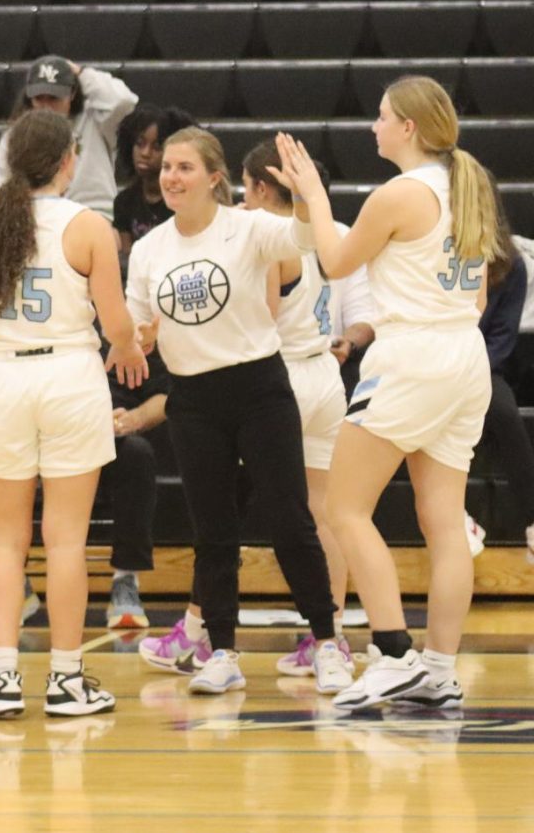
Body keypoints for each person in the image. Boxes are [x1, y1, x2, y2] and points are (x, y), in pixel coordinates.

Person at [276, 75, 499, 711]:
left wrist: (314, 195)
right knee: (444, 522)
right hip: (464, 354)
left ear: (408, 127)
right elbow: (480, 298)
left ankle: (394, 652)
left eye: (380, 117)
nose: (373, 126)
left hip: (412, 355)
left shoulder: (401, 192)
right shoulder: (471, 186)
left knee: (345, 508)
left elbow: (337, 261)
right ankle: (439, 668)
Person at [125, 126, 344, 696]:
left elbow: (302, 238)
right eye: (167, 167)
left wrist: (305, 193)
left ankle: (326, 642)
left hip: (259, 388)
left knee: (290, 519)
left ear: (214, 177)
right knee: (213, 531)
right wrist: (135, 338)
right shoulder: (149, 249)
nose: (171, 176)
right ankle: (221, 650)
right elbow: (130, 324)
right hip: (193, 399)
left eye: (184, 167)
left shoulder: (249, 227)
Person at [0, 109, 148, 719]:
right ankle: (67, 680)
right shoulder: (89, 226)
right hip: (67, 376)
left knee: (5, 544)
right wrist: (134, 342)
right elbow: (115, 326)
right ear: (70, 161)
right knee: (66, 542)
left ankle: (0, 678)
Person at [241, 141, 358, 681]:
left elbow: (261, 320)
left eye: (246, 189)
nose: (243, 200)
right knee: (324, 513)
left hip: (283, 376)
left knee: (273, 515)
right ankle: (330, 637)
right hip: (325, 376)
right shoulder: (318, 232)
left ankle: (199, 628)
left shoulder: (270, 243)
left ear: (263, 188)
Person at [0, 56, 137, 222]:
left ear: (72, 93)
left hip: (93, 215)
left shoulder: (96, 120)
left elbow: (124, 101)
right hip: (38, 220)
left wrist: (82, 74)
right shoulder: (16, 133)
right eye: (39, 98)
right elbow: (1, 183)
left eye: (54, 98)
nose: (46, 106)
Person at [472, 204, 534, 555]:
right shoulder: (434, 251)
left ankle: (533, 519)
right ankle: (456, 517)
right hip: (433, 361)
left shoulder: (513, 265)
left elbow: (503, 336)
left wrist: (470, 371)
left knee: (506, 414)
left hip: (481, 366)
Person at [103, 346, 171, 630]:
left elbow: (166, 394)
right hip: (58, 435)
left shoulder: (134, 330)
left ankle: (126, 578)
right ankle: (16, 580)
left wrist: (135, 418)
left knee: (137, 454)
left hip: (114, 439)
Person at [112, 104, 196, 256]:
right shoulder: (124, 201)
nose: (145, 153)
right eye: (140, 143)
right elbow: (128, 259)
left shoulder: (185, 202)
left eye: (157, 147)